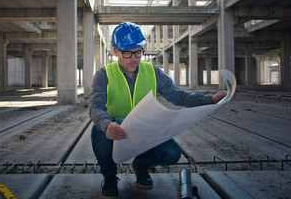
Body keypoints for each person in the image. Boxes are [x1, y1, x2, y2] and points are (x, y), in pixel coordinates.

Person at [89, 21, 227, 198]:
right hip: (117, 129)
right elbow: (95, 107)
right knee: (98, 130)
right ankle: (109, 177)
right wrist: (107, 125)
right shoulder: (104, 74)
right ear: (115, 51)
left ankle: (141, 165)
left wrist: (210, 99)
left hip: (144, 129)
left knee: (172, 153)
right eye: (127, 53)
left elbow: (179, 96)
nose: (134, 58)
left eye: (138, 52)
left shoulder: (152, 71)